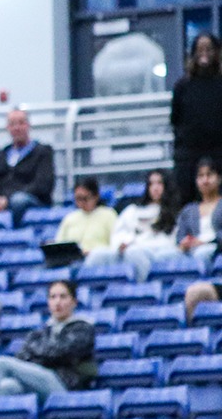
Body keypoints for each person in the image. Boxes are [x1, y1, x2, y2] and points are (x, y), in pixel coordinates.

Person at [0, 280, 97, 405]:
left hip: (64, 386)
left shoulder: (83, 328)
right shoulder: (41, 332)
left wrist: (37, 353)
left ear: (74, 302)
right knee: (7, 386)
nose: (57, 302)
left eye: (63, 297)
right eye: (53, 297)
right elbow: (23, 357)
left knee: (1, 362)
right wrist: (42, 354)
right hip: (39, 382)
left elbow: (61, 352)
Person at [86, 169, 179, 282]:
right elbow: (119, 233)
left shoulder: (174, 212)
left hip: (154, 254)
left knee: (135, 253)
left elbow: (171, 241)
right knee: (97, 255)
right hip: (125, 252)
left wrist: (136, 245)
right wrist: (122, 243)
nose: (155, 188)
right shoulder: (132, 211)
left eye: (159, 183)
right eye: (151, 184)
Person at [0, 109, 56, 214]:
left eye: (21, 123)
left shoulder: (42, 152)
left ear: (28, 125)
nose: (17, 128)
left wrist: (7, 199)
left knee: (18, 200)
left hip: (31, 203)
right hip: (2, 202)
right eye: (12, 124)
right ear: (7, 128)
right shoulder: (1, 155)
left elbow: (42, 185)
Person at [172, 31, 222, 202]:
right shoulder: (182, 86)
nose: (204, 53)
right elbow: (175, 119)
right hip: (189, 156)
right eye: (200, 49)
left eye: (209, 49)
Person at [55, 177, 118, 258]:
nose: (81, 203)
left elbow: (116, 243)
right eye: (78, 199)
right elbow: (60, 243)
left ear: (96, 196)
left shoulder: (108, 215)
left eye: (85, 198)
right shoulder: (70, 218)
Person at [178, 157, 222, 265]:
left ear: (219, 179)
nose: (205, 180)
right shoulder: (189, 210)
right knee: (164, 256)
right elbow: (180, 236)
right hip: (191, 249)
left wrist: (205, 242)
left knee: (201, 253)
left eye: (209, 175)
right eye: (201, 176)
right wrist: (184, 243)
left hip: (215, 248)